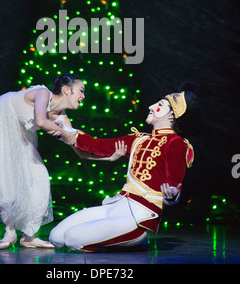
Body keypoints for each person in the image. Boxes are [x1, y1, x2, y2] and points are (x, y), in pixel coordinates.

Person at [49, 82, 201, 252]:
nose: (151, 106)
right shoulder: (138, 140)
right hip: (118, 205)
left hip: (139, 216)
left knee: (72, 239)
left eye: (159, 105)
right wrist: (63, 131)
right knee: (56, 237)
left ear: (171, 116)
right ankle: (122, 242)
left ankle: (131, 242)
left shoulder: (176, 144)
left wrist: (172, 195)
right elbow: (97, 145)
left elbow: (174, 183)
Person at [0, 73, 87, 249]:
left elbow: (76, 145)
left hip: (18, 132)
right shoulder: (43, 93)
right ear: (66, 90)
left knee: (39, 177)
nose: (83, 96)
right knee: (2, 177)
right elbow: (41, 121)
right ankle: (9, 231)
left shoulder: (62, 117)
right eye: (81, 91)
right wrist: (66, 133)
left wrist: (106, 155)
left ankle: (29, 236)